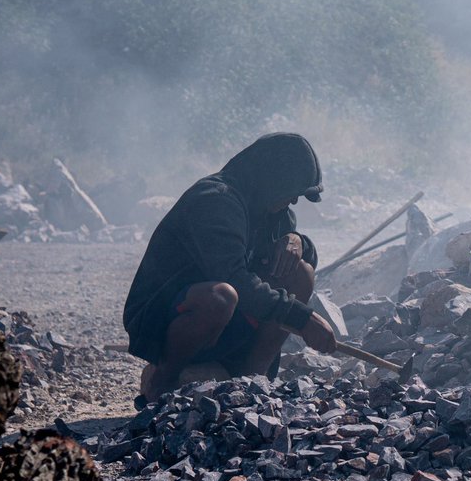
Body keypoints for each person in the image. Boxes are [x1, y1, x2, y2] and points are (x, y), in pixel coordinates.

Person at [124, 133, 337, 404]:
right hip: (164, 319)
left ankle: (251, 380)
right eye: (291, 193)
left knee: (301, 274)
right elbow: (233, 278)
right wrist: (301, 318)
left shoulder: (273, 213)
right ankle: (162, 380)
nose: (293, 201)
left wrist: (299, 243)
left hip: (225, 323)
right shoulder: (215, 200)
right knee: (221, 296)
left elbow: (300, 261)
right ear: (270, 180)